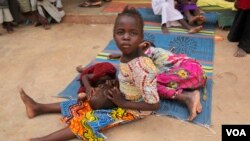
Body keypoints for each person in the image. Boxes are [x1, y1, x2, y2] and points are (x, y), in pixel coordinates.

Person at [19, 7, 160, 141]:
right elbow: (127, 76)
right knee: (86, 101)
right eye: (120, 32)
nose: (126, 37)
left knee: (86, 121)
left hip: (134, 109)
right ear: (114, 35)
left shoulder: (144, 69)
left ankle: (43, 140)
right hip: (122, 96)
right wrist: (117, 83)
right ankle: (38, 108)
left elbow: (154, 105)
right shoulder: (126, 54)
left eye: (133, 33)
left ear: (142, 37)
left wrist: (121, 103)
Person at [109, 40, 206, 121]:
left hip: (189, 71)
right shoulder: (151, 57)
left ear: (145, 46)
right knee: (148, 84)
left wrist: (124, 103)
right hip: (195, 75)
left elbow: (136, 57)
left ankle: (188, 97)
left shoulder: (150, 52)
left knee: (149, 84)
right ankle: (187, 96)